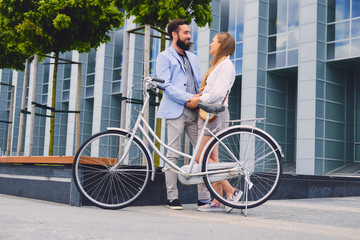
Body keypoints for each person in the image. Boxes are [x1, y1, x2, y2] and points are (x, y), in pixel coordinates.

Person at [156, 19, 211, 210]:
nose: (189, 36)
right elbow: (166, 85)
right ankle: (172, 198)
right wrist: (189, 97)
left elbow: (199, 83)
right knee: (172, 155)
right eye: (186, 33)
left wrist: (200, 97)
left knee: (201, 154)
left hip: (196, 112)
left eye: (189, 32)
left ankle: (204, 199)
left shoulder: (193, 57)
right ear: (174, 34)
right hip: (176, 111)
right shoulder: (164, 57)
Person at [187, 32, 241, 213]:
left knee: (199, 157)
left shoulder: (226, 66)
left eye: (213, 41)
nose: (210, 44)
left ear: (222, 45)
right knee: (213, 159)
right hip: (209, 115)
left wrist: (199, 99)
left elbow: (218, 94)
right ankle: (218, 200)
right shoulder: (220, 65)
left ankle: (230, 191)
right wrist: (198, 97)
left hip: (214, 115)